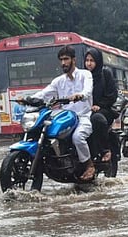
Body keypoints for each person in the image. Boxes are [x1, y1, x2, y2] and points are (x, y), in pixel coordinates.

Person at [29, 45, 95, 180]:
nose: (63, 63)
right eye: (61, 59)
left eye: (66, 59)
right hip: (64, 117)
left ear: (74, 60)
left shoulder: (85, 75)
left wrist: (80, 95)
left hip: (83, 116)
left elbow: (88, 91)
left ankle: (89, 165)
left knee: (78, 137)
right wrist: (28, 99)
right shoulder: (58, 81)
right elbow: (45, 93)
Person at [84, 47, 118, 163]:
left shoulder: (105, 74)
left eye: (92, 61)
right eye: (87, 60)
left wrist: (99, 105)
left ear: (98, 61)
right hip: (85, 110)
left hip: (104, 110)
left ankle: (104, 150)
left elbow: (112, 95)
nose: (89, 63)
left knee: (97, 119)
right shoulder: (82, 76)